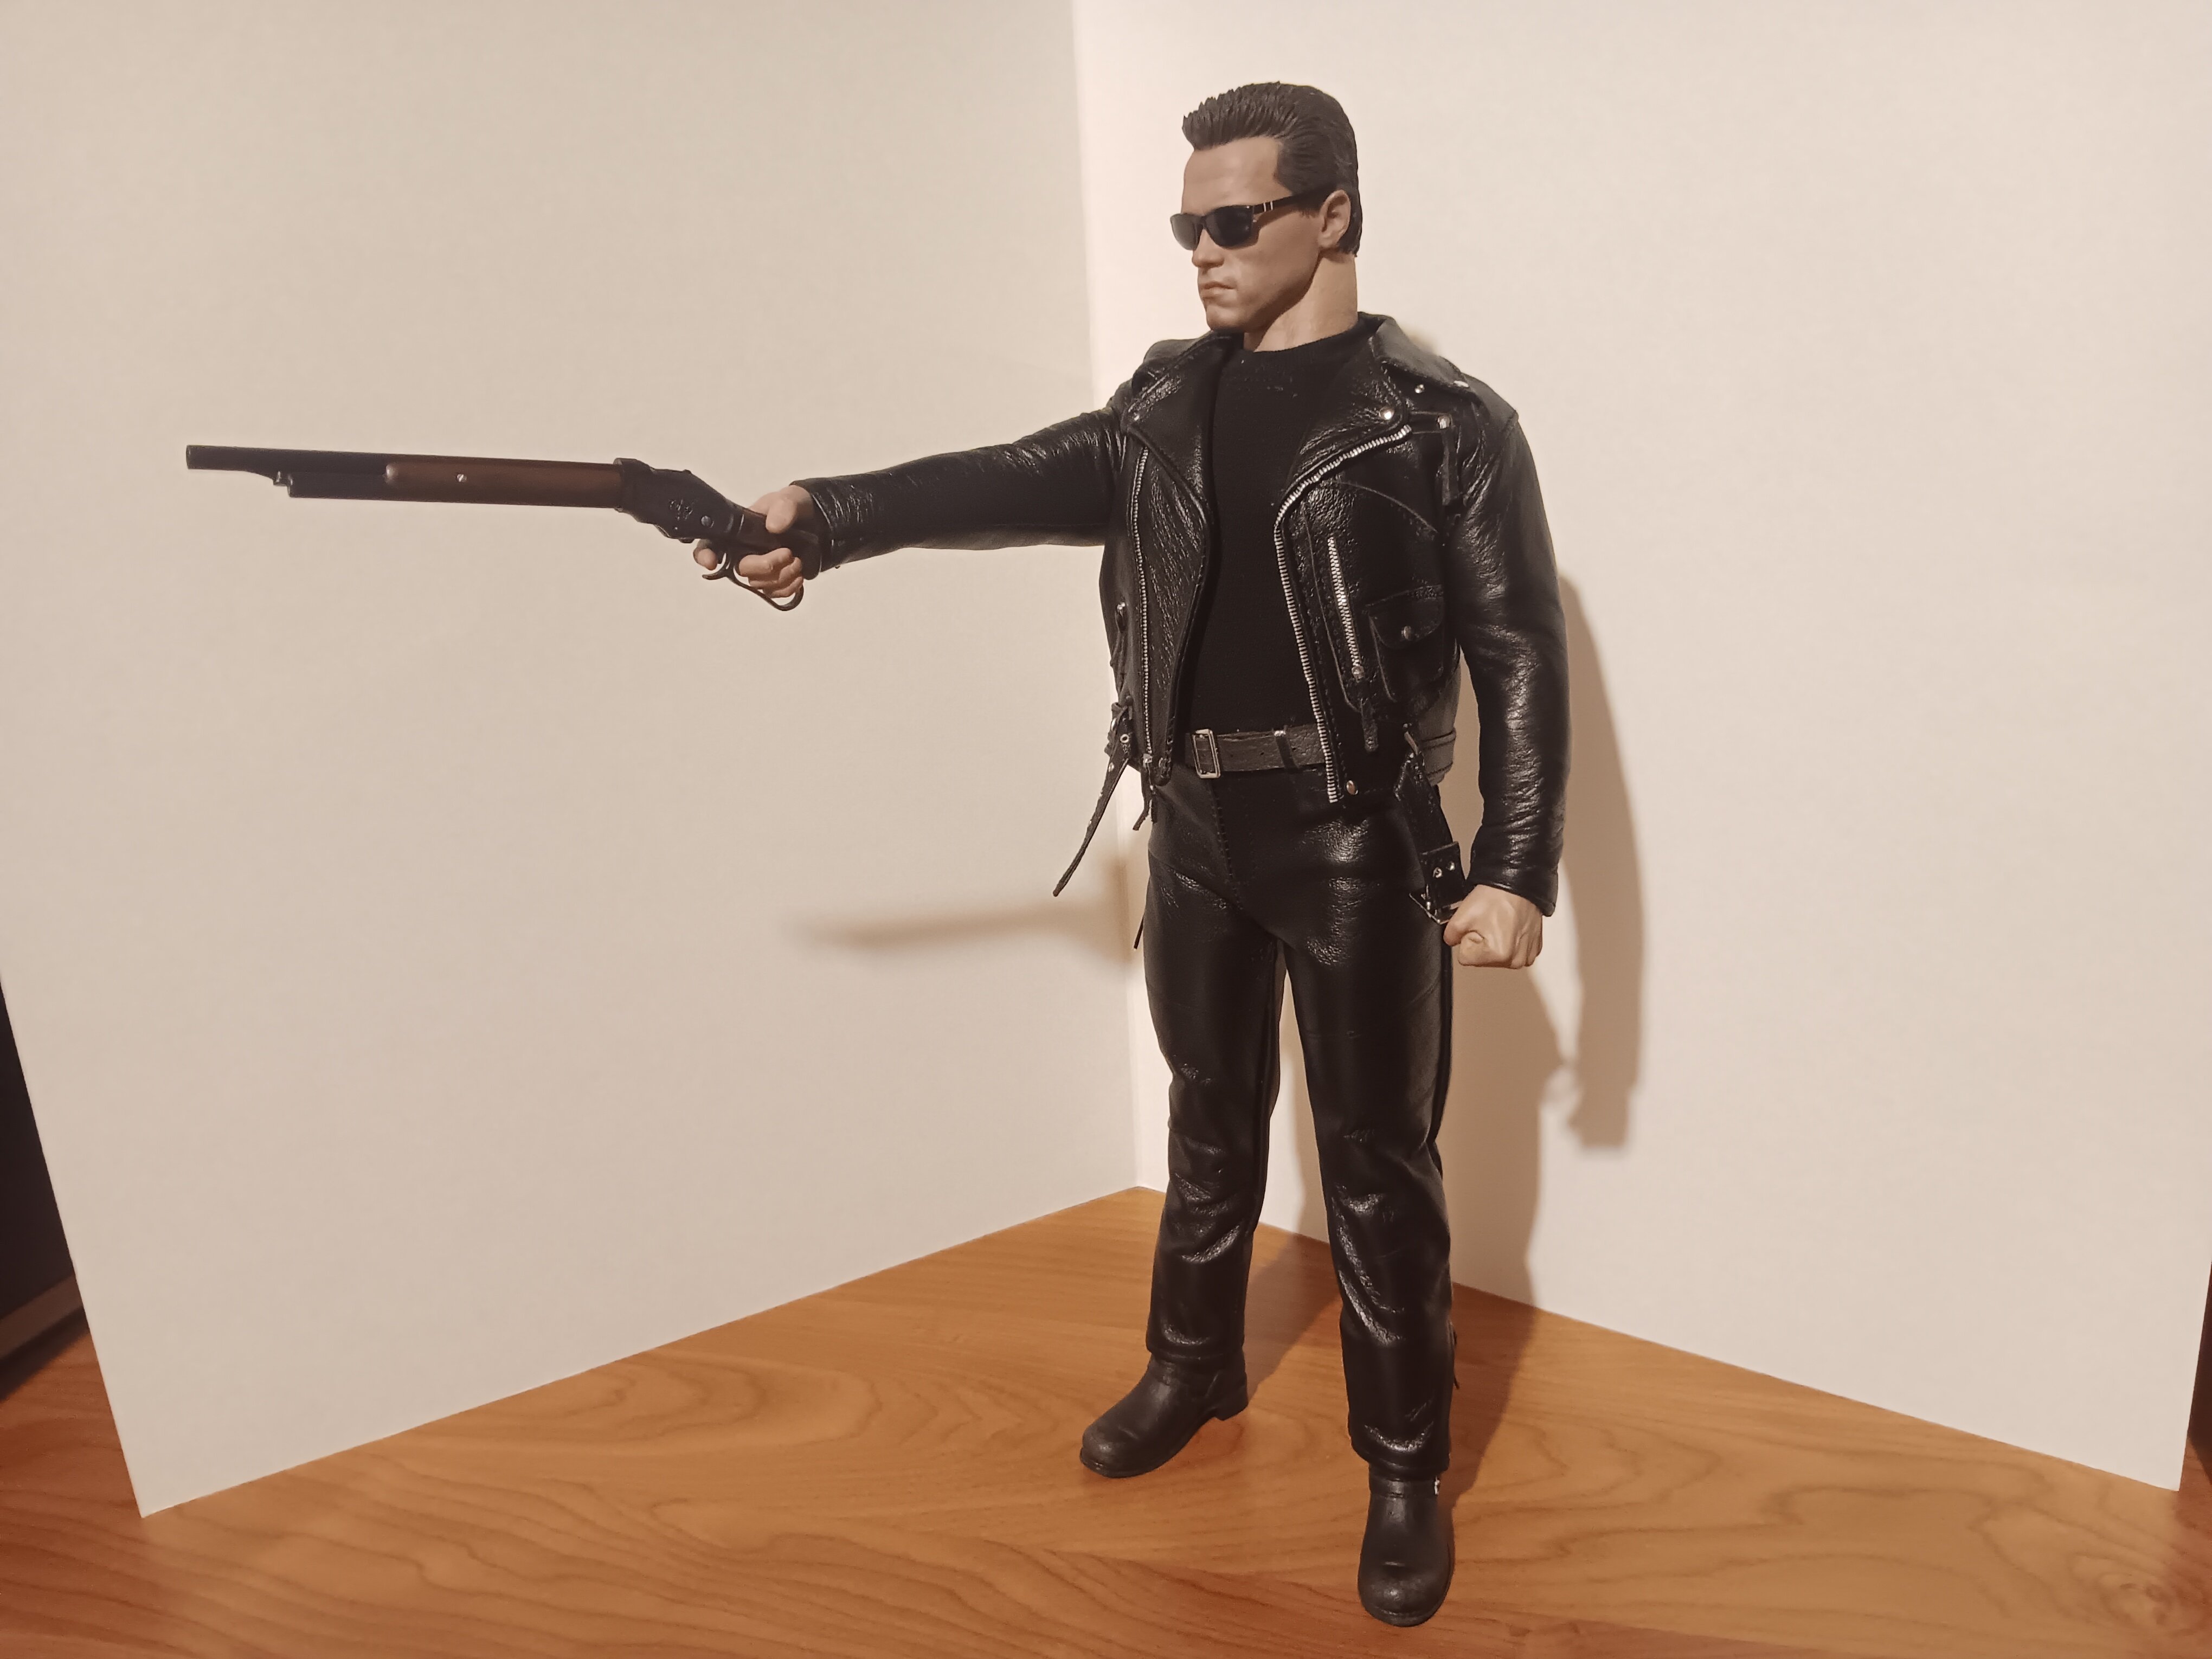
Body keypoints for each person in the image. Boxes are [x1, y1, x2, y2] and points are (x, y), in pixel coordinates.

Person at [705, 82, 1567, 1628]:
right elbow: (1005, 478)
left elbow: (1518, 652)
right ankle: (1192, 1362)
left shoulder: (1441, 424)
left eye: (1234, 220)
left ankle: (1402, 1465)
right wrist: (822, 517)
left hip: (1359, 837)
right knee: (1208, 1116)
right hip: (1194, 825)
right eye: (1186, 226)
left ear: (1334, 217)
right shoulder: (1166, 404)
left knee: (1378, 1165)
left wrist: (1514, 867)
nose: (1204, 252)